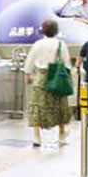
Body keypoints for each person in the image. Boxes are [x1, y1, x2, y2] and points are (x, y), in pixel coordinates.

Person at [22, 19, 71, 148]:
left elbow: (29, 61)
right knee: (59, 106)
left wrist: (27, 75)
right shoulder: (61, 44)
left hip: (41, 78)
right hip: (57, 78)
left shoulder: (37, 44)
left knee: (38, 107)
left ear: (42, 31)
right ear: (56, 31)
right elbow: (67, 64)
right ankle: (61, 136)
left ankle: (37, 138)